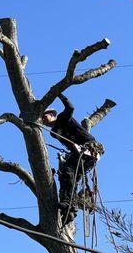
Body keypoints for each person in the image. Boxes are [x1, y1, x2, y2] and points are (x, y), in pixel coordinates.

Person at [43, 94, 103, 223]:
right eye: (42, 118)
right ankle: (69, 208)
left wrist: (59, 94)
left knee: (68, 172)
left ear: (53, 114)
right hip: (78, 153)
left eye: (45, 116)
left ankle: (68, 202)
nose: (43, 120)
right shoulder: (53, 133)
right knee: (68, 177)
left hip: (88, 150)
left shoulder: (62, 118)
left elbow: (70, 108)